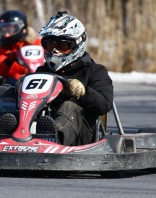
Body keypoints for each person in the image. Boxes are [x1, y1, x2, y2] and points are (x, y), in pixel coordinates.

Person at [34, 11, 114, 146]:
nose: (55, 52)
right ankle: (4, 135)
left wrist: (83, 92)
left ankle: (53, 137)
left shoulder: (95, 71)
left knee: (69, 106)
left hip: (82, 134)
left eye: (61, 46)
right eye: (51, 46)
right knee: (6, 96)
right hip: (42, 125)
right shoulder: (42, 72)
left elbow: (104, 105)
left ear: (77, 44)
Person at [0, 10, 42, 85]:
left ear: (22, 28)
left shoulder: (36, 43)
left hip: (40, 78)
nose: (6, 34)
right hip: (16, 81)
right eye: (4, 30)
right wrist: (10, 60)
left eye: (10, 30)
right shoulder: (4, 46)